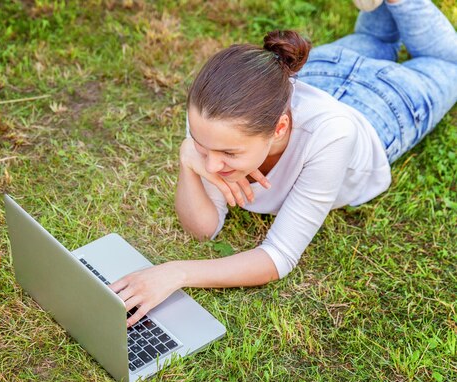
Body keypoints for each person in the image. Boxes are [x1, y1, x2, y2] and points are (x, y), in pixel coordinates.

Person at [109, 0, 457, 327]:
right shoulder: (214, 118)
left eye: (229, 155)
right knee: (375, 40)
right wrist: (188, 159)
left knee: (450, 65)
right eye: (201, 146)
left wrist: (177, 273)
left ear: (279, 129)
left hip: (381, 103)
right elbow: (202, 228)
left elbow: (278, 257)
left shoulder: (332, 136)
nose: (212, 166)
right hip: (317, 73)